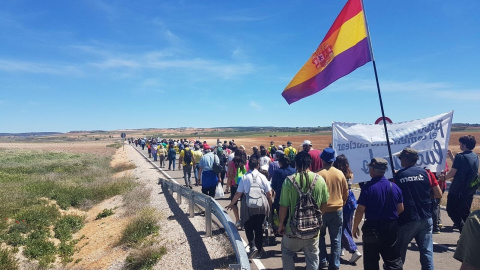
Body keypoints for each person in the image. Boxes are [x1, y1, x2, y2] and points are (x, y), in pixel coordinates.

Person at [277, 151, 329, 270]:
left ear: (295, 164)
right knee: (312, 258)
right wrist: (318, 217)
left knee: (287, 252)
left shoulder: (289, 181)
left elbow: (283, 206)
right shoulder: (320, 180)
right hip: (313, 231)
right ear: (309, 164)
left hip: (293, 229)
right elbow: (325, 203)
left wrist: (281, 224)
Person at [394, 148, 442, 270]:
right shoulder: (427, 173)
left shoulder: (398, 175)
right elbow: (438, 194)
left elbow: (394, 197)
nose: (399, 160)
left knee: (399, 253)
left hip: (407, 219)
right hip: (426, 217)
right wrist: (425, 195)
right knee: (427, 253)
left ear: (405, 159)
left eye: (400, 158)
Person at [353, 157, 404, 270]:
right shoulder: (394, 187)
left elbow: (360, 210)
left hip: (372, 227)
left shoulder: (367, 188)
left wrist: (355, 226)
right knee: (393, 259)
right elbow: (400, 208)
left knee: (371, 261)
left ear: (373, 170)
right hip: (390, 226)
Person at [226, 157, 273, 259]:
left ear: (249, 167)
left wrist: (232, 204)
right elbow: (269, 194)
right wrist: (270, 206)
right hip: (261, 205)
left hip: (248, 205)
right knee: (259, 227)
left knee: (248, 225)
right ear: (258, 166)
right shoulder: (262, 177)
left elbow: (238, 193)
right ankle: (259, 250)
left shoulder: (244, 177)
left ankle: (252, 246)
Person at [440, 135, 478, 233]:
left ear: (464, 144)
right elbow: (462, 166)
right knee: (465, 213)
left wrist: (444, 178)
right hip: (469, 190)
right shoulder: (475, 156)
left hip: (457, 190)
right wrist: (452, 156)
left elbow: (453, 172)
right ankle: (471, 234)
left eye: (460, 143)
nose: (459, 144)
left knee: (451, 211)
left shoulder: (460, 156)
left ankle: (463, 231)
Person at [317, 148, 348, 270]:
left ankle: (323, 260)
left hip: (322, 211)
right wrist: (342, 203)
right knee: (336, 239)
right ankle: (335, 264)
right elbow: (345, 192)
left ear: (323, 160)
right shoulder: (340, 174)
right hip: (337, 210)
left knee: (320, 237)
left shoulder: (318, 174)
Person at [333, 154, 362, 264]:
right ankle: (341, 248)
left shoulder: (339, 174)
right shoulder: (350, 172)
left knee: (342, 226)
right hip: (351, 199)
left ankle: (353, 249)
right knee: (347, 224)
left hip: (343, 199)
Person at [271, 155, 296, 228]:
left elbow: (273, 186)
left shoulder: (277, 172)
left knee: (281, 217)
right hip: (293, 197)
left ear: (280, 162)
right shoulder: (294, 171)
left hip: (280, 197)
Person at [227, 149, 248, 228]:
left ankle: (237, 219)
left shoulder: (232, 163)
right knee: (244, 203)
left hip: (234, 185)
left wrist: (227, 187)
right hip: (245, 185)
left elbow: (231, 175)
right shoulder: (246, 163)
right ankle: (243, 220)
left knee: (234, 203)